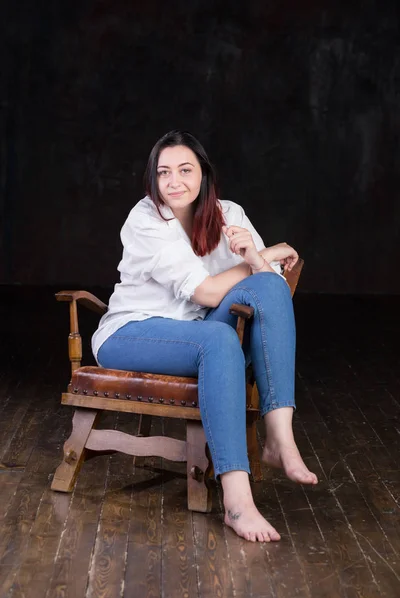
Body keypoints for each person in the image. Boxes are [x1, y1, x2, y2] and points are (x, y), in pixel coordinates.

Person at [92, 130, 318, 543]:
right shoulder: (146, 219)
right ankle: (237, 501)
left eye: (184, 170)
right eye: (163, 173)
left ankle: (280, 437)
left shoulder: (229, 213)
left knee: (267, 289)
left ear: (204, 175)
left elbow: (270, 288)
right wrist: (261, 257)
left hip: (194, 332)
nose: (173, 181)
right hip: (133, 330)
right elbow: (208, 293)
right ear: (153, 179)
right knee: (218, 340)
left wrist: (254, 258)